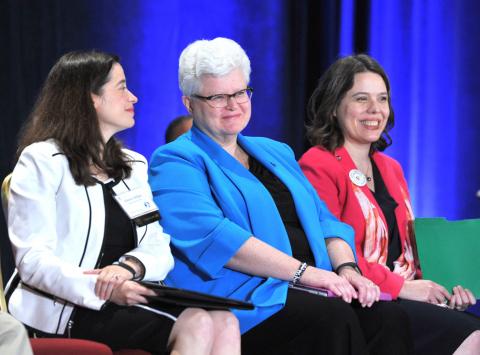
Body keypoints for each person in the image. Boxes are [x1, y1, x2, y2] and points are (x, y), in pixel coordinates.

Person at [149, 37, 414, 355]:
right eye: (218, 97)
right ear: (189, 103)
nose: (233, 105)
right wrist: (310, 275)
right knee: (332, 319)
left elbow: (325, 222)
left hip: (312, 287)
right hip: (245, 298)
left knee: (389, 318)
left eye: (240, 92)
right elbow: (214, 238)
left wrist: (347, 270)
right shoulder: (175, 160)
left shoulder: (276, 151)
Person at [5, 51, 241, 355]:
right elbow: (32, 261)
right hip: (64, 305)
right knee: (197, 322)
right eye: (121, 87)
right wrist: (103, 287)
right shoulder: (41, 160)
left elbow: (157, 244)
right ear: (91, 98)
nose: (133, 96)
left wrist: (129, 267)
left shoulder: (133, 165)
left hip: (128, 292)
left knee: (225, 321)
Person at [299, 53, 480, 354]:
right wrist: (404, 288)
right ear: (334, 108)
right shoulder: (318, 164)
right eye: (361, 99)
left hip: (405, 294)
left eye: (382, 99)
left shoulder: (390, 168)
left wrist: (443, 287)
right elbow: (332, 249)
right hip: (363, 299)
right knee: (473, 336)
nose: (375, 110)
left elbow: (403, 251)